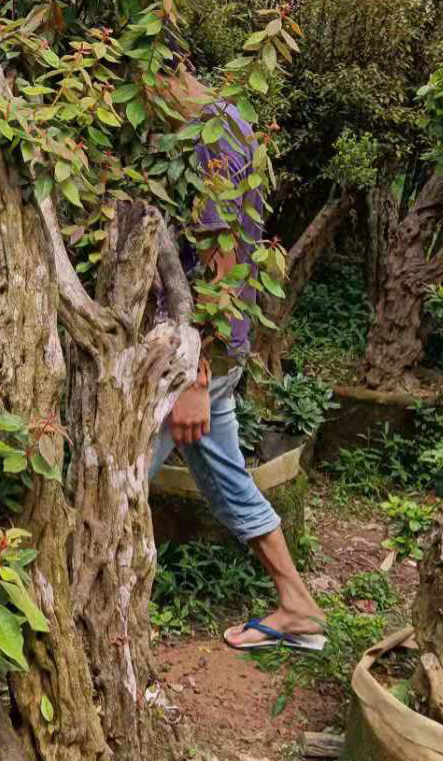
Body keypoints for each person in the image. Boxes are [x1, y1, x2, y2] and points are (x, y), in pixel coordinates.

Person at [152, 65, 325, 652]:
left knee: (111, 484)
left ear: (164, 71)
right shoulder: (224, 122)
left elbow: (218, 261)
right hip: (203, 358)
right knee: (227, 481)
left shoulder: (210, 135)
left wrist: (192, 376)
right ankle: (297, 605)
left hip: (188, 364)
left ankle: (93, 621)